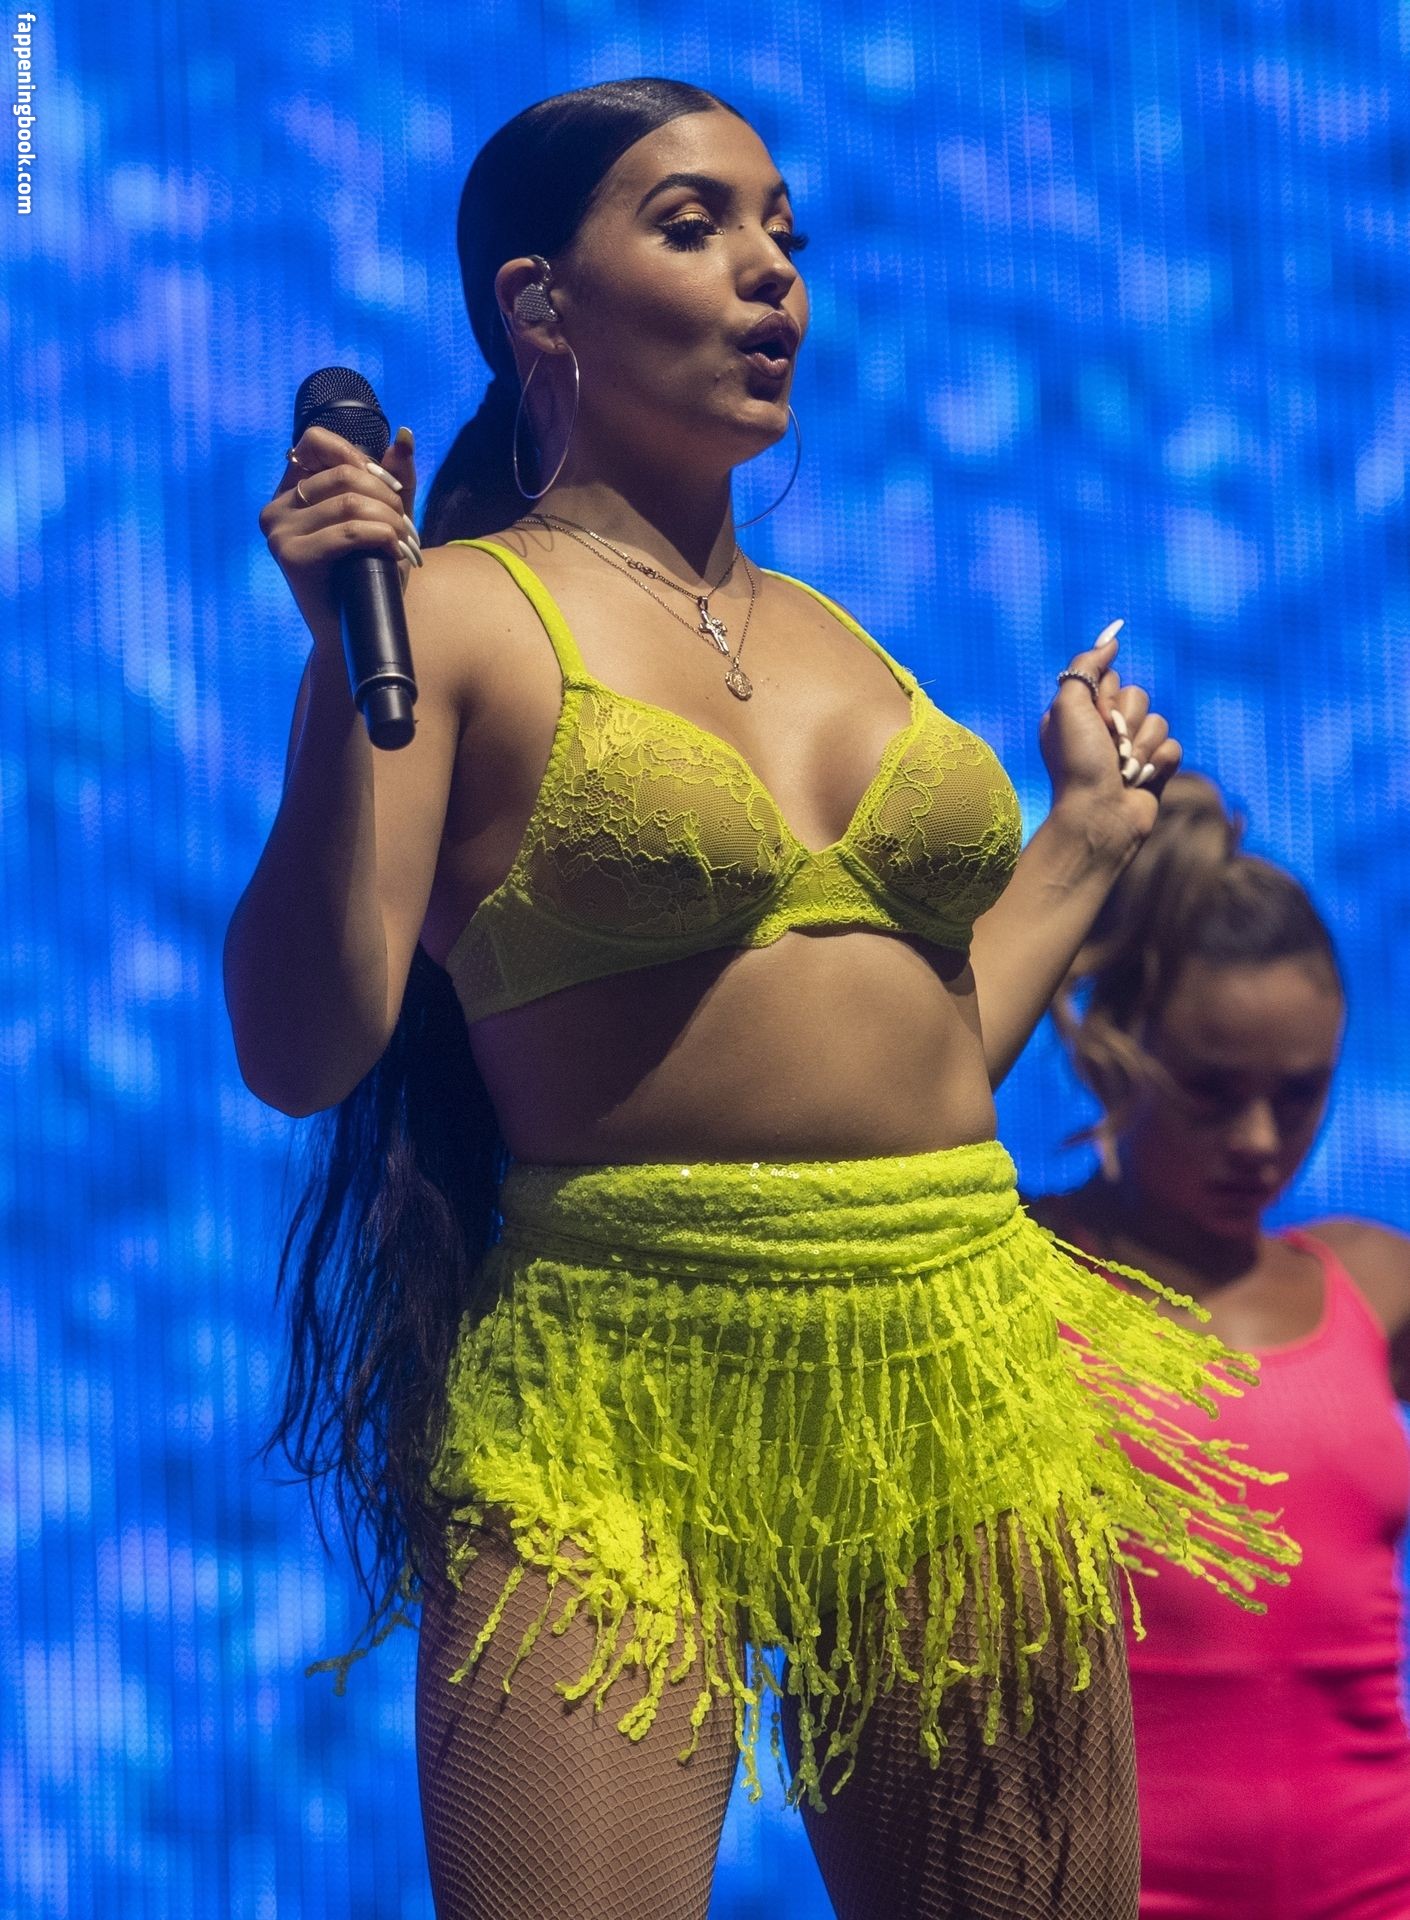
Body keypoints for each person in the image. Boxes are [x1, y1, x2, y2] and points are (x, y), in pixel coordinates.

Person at [225, 79, 1293, 1920]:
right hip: (612, 1381)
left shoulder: (844, 641)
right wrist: (339, 672)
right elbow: (299, 1050)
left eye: (784, 231)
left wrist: (1084, 844)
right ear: (538, 302)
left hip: (948, 1348)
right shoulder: (456, 614)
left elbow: (917, 1064)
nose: (772, 270)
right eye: (695, 223)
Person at [1031, 771, 1410, 1920]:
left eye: (1298, 1095)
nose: (1258, 1139)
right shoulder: (1014, 1275)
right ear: (1112, 1049)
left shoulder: (1375, 1285)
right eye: (1208, 1090)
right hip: (1108, 1895)